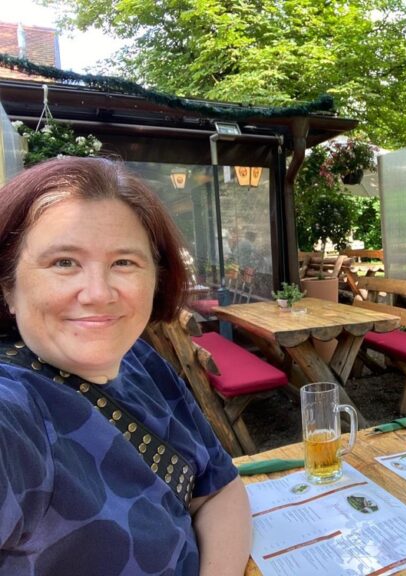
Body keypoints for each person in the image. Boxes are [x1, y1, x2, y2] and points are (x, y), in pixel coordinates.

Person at [0, 157, 252, 575]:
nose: (98, 293)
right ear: (8, 286)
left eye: (124, 263)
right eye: (64, 262)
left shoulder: (140, 358)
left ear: (156, 277)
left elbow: (218, 488)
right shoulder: (16, 415)